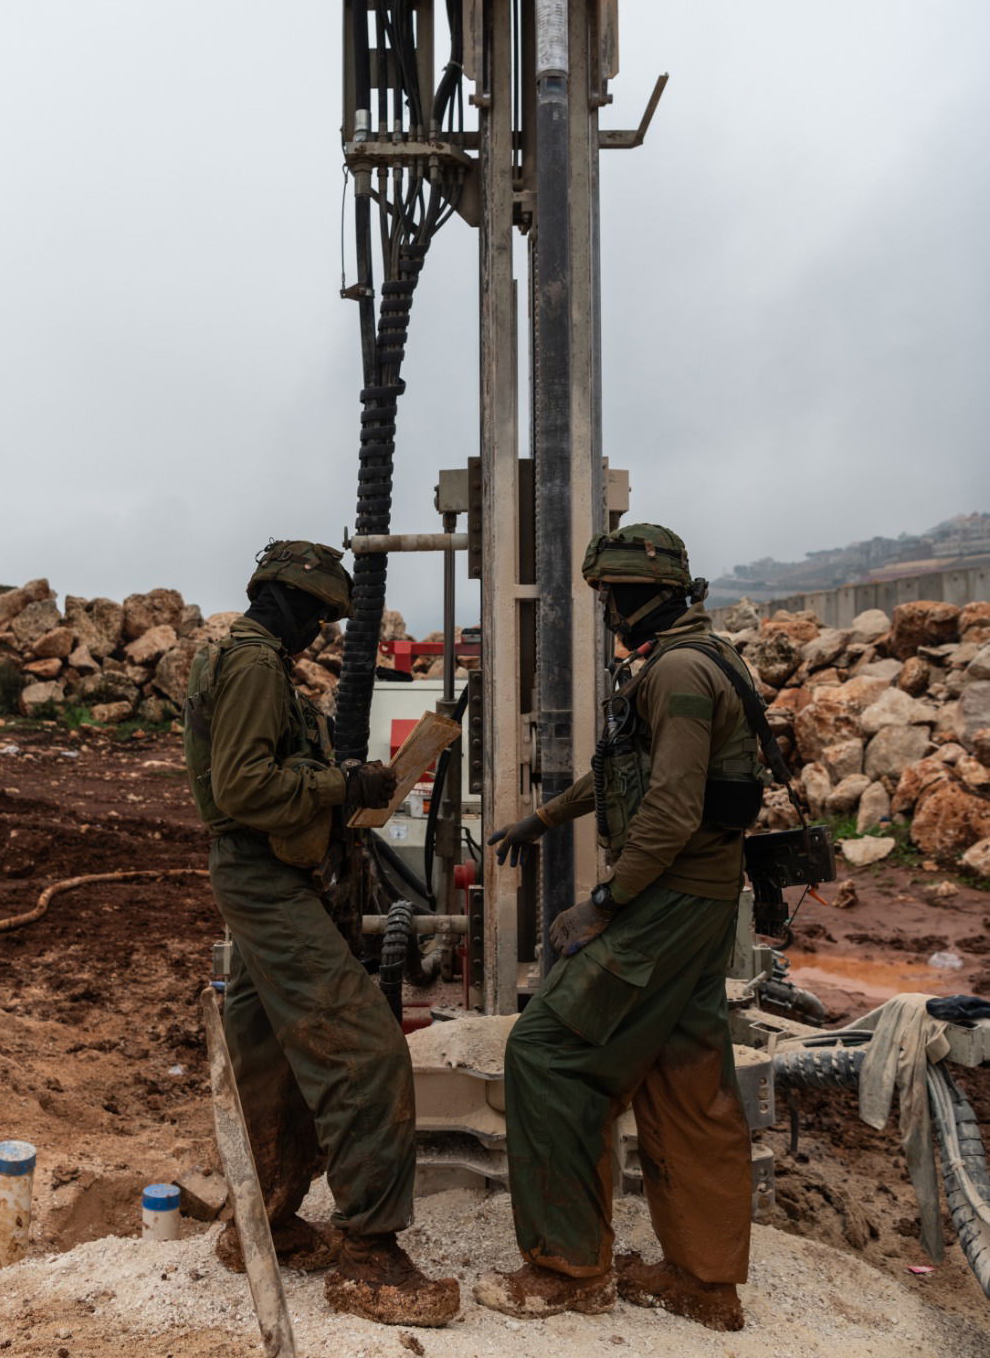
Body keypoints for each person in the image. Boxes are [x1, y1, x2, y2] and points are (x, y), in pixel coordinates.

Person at [475, 522, 763, 1331]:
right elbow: (621, 774)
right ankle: (705, 1284)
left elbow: (668, 808)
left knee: (548, 1056)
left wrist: (603, 904)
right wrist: (542, 818)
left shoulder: (676, 672)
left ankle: (568, 1269)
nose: (604, 610)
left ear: (641, 593)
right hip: (704, 899)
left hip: (667, 899)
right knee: (685, 1079)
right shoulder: (703, 657)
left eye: (609, 595)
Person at [184, 538, 459, 1328]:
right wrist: (344, 783)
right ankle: (370, 1256)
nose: (320, 632)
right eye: (317, 616)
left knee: (265, 1048)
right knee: (363, 1048)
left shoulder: (242, 656)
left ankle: (260, 1219)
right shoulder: (254, 663)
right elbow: (244, 787)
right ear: (288, 600)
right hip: (264, 876)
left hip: (263, 871)